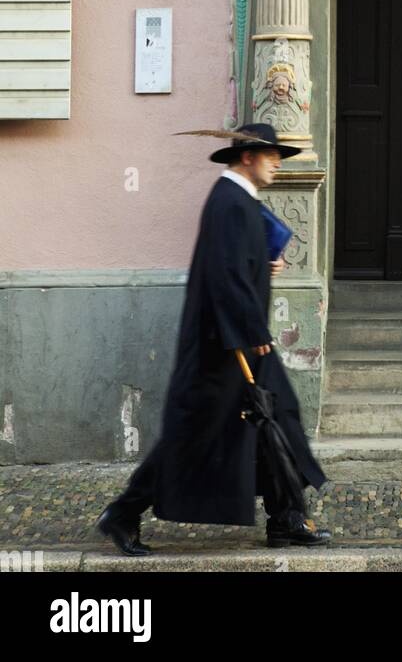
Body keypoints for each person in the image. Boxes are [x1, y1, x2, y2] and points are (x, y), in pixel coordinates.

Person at [96, 123, 331, 555]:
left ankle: (286, 517)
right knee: (194, 436)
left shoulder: (238, 200)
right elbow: (223, 275)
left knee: (277, 419)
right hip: (223, 347)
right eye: (272, 155)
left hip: (238, 340)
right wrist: (249, 328)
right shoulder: (229, 201)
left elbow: (235, 262)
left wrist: (263, 264)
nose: (278, 162)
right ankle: (123, 513)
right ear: (248, 157)